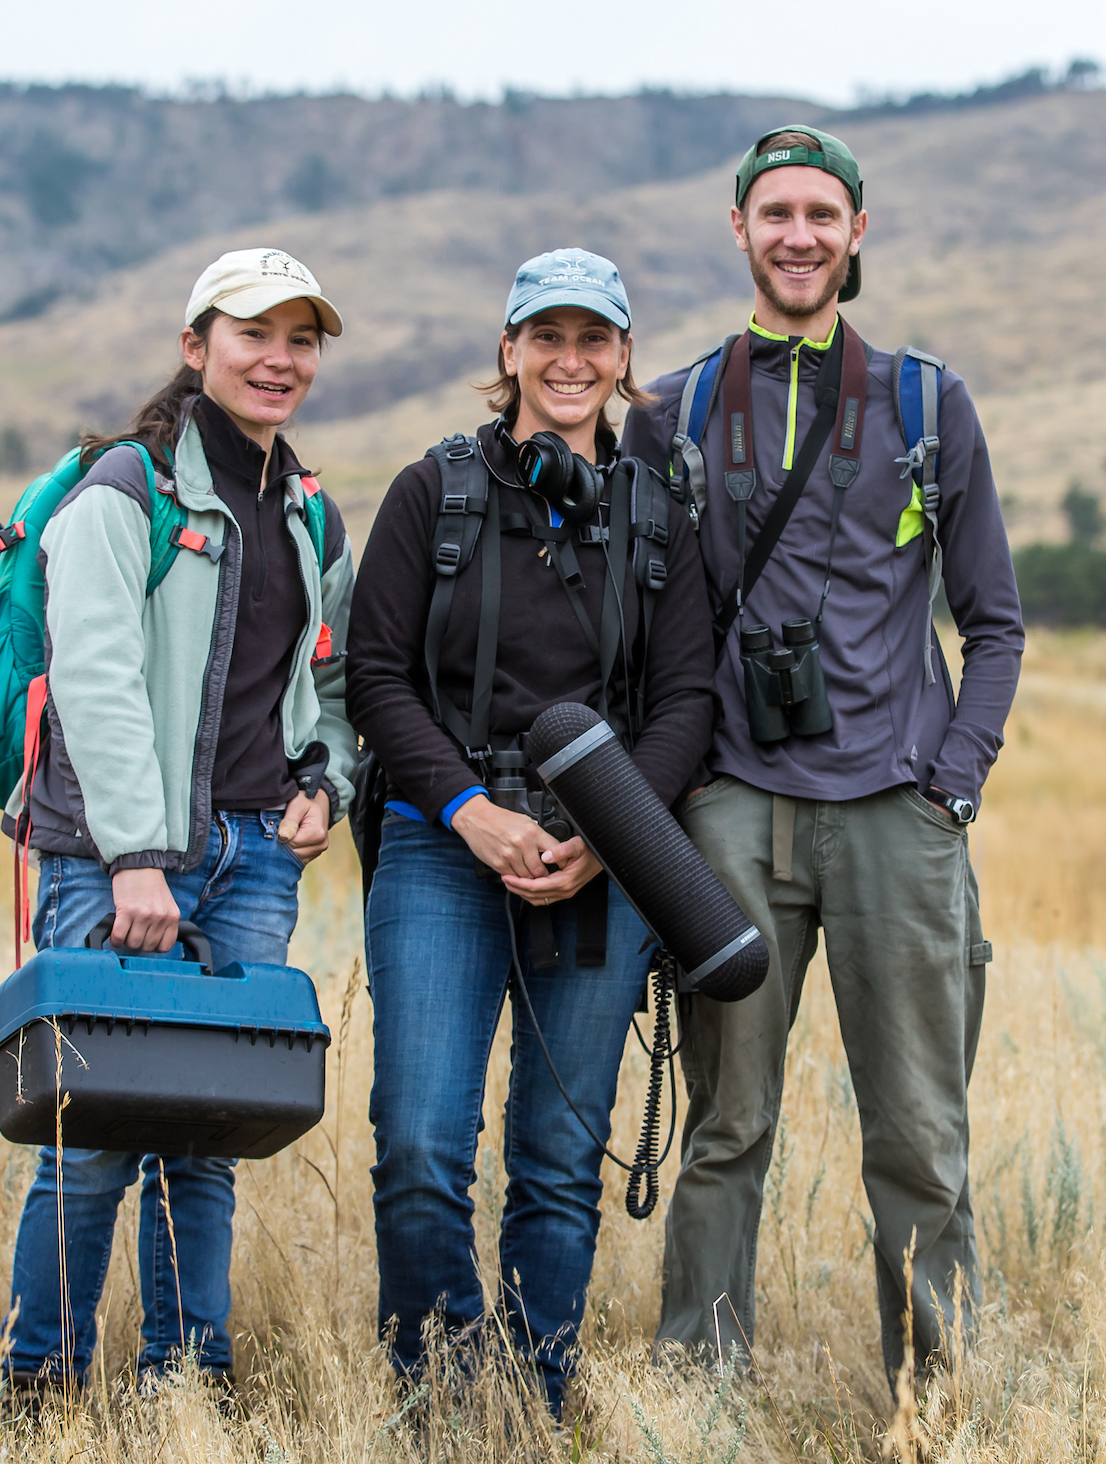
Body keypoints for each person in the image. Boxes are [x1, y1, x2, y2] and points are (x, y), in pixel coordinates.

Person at [619, 128, 1025, 1382]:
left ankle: (933, 1395)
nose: (799, 234)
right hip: (735, 808)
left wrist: (954, 778)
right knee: (726, 1124)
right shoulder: (673, 409)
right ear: (737, 229)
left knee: (918, 1130)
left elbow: (995, 622)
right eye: (776, 212)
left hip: (899, 811)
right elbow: (632, 625)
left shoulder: (923, 401)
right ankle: (700, 1388)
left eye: (824, 214)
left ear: (858, 236)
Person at [345, 248, 715, 1415]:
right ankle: (440, 1399)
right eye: (545, 337)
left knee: (559, 1163)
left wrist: (613, 835)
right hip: (439, 845)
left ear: (622, 360)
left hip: (601, 860)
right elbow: (374, 677)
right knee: (417, 1147)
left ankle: (535, 1402)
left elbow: (689, 699)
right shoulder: (431, 491)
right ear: (506, 351)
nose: (569, 360)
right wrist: (469, 810)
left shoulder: (661, 510)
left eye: (593, 339)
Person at [3, 247, 359, 1396]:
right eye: (256, 333)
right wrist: (136, 858)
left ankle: (186, 1386)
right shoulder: (126, 489)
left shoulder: (308, 510)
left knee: (209, 1138)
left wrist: (327, 780)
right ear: (196, 345)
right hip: (121, 865)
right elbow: (96, 676)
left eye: (301, 339)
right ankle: (38, 1388)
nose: (280, 359)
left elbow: (332, 683)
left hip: (256, 859)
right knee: (89, 1138)